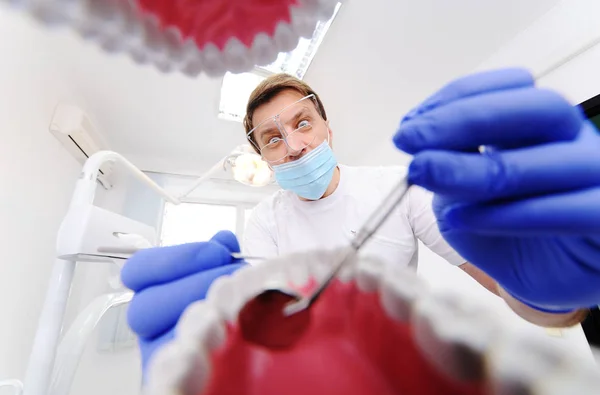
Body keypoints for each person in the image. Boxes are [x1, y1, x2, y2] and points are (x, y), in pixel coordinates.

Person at [121, 67, 600, 374]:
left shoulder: (397, 187)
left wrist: (555, 298)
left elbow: (514, 293)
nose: (293, 145)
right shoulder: (267, 221)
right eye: (272, 138)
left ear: (328, 127)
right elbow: (267, 325)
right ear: (264, 159)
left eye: (302, 123)